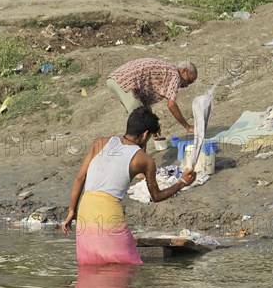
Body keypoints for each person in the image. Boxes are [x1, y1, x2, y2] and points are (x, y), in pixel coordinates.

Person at [61, 106, 197, 265]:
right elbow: (156, 196)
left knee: (91, 266)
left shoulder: (100, 143)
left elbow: (80, 178)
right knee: (127, 266)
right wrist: (182, 183)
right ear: (145, 134)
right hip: (108, 214)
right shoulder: (144, 161)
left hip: (85, 212)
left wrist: (72, 211)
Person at [107, 58, 198, 134]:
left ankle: (139, 152)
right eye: (189, 80)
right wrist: (187, 127)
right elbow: (171, 105)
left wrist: (154, 127)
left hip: (115, 80)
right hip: (126, 83)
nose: (187, 85)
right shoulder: (175, 75)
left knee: (144, 118)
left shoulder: (167, 70)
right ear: (184, 71)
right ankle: (137, 154)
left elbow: (144, 106)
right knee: (140, 124)